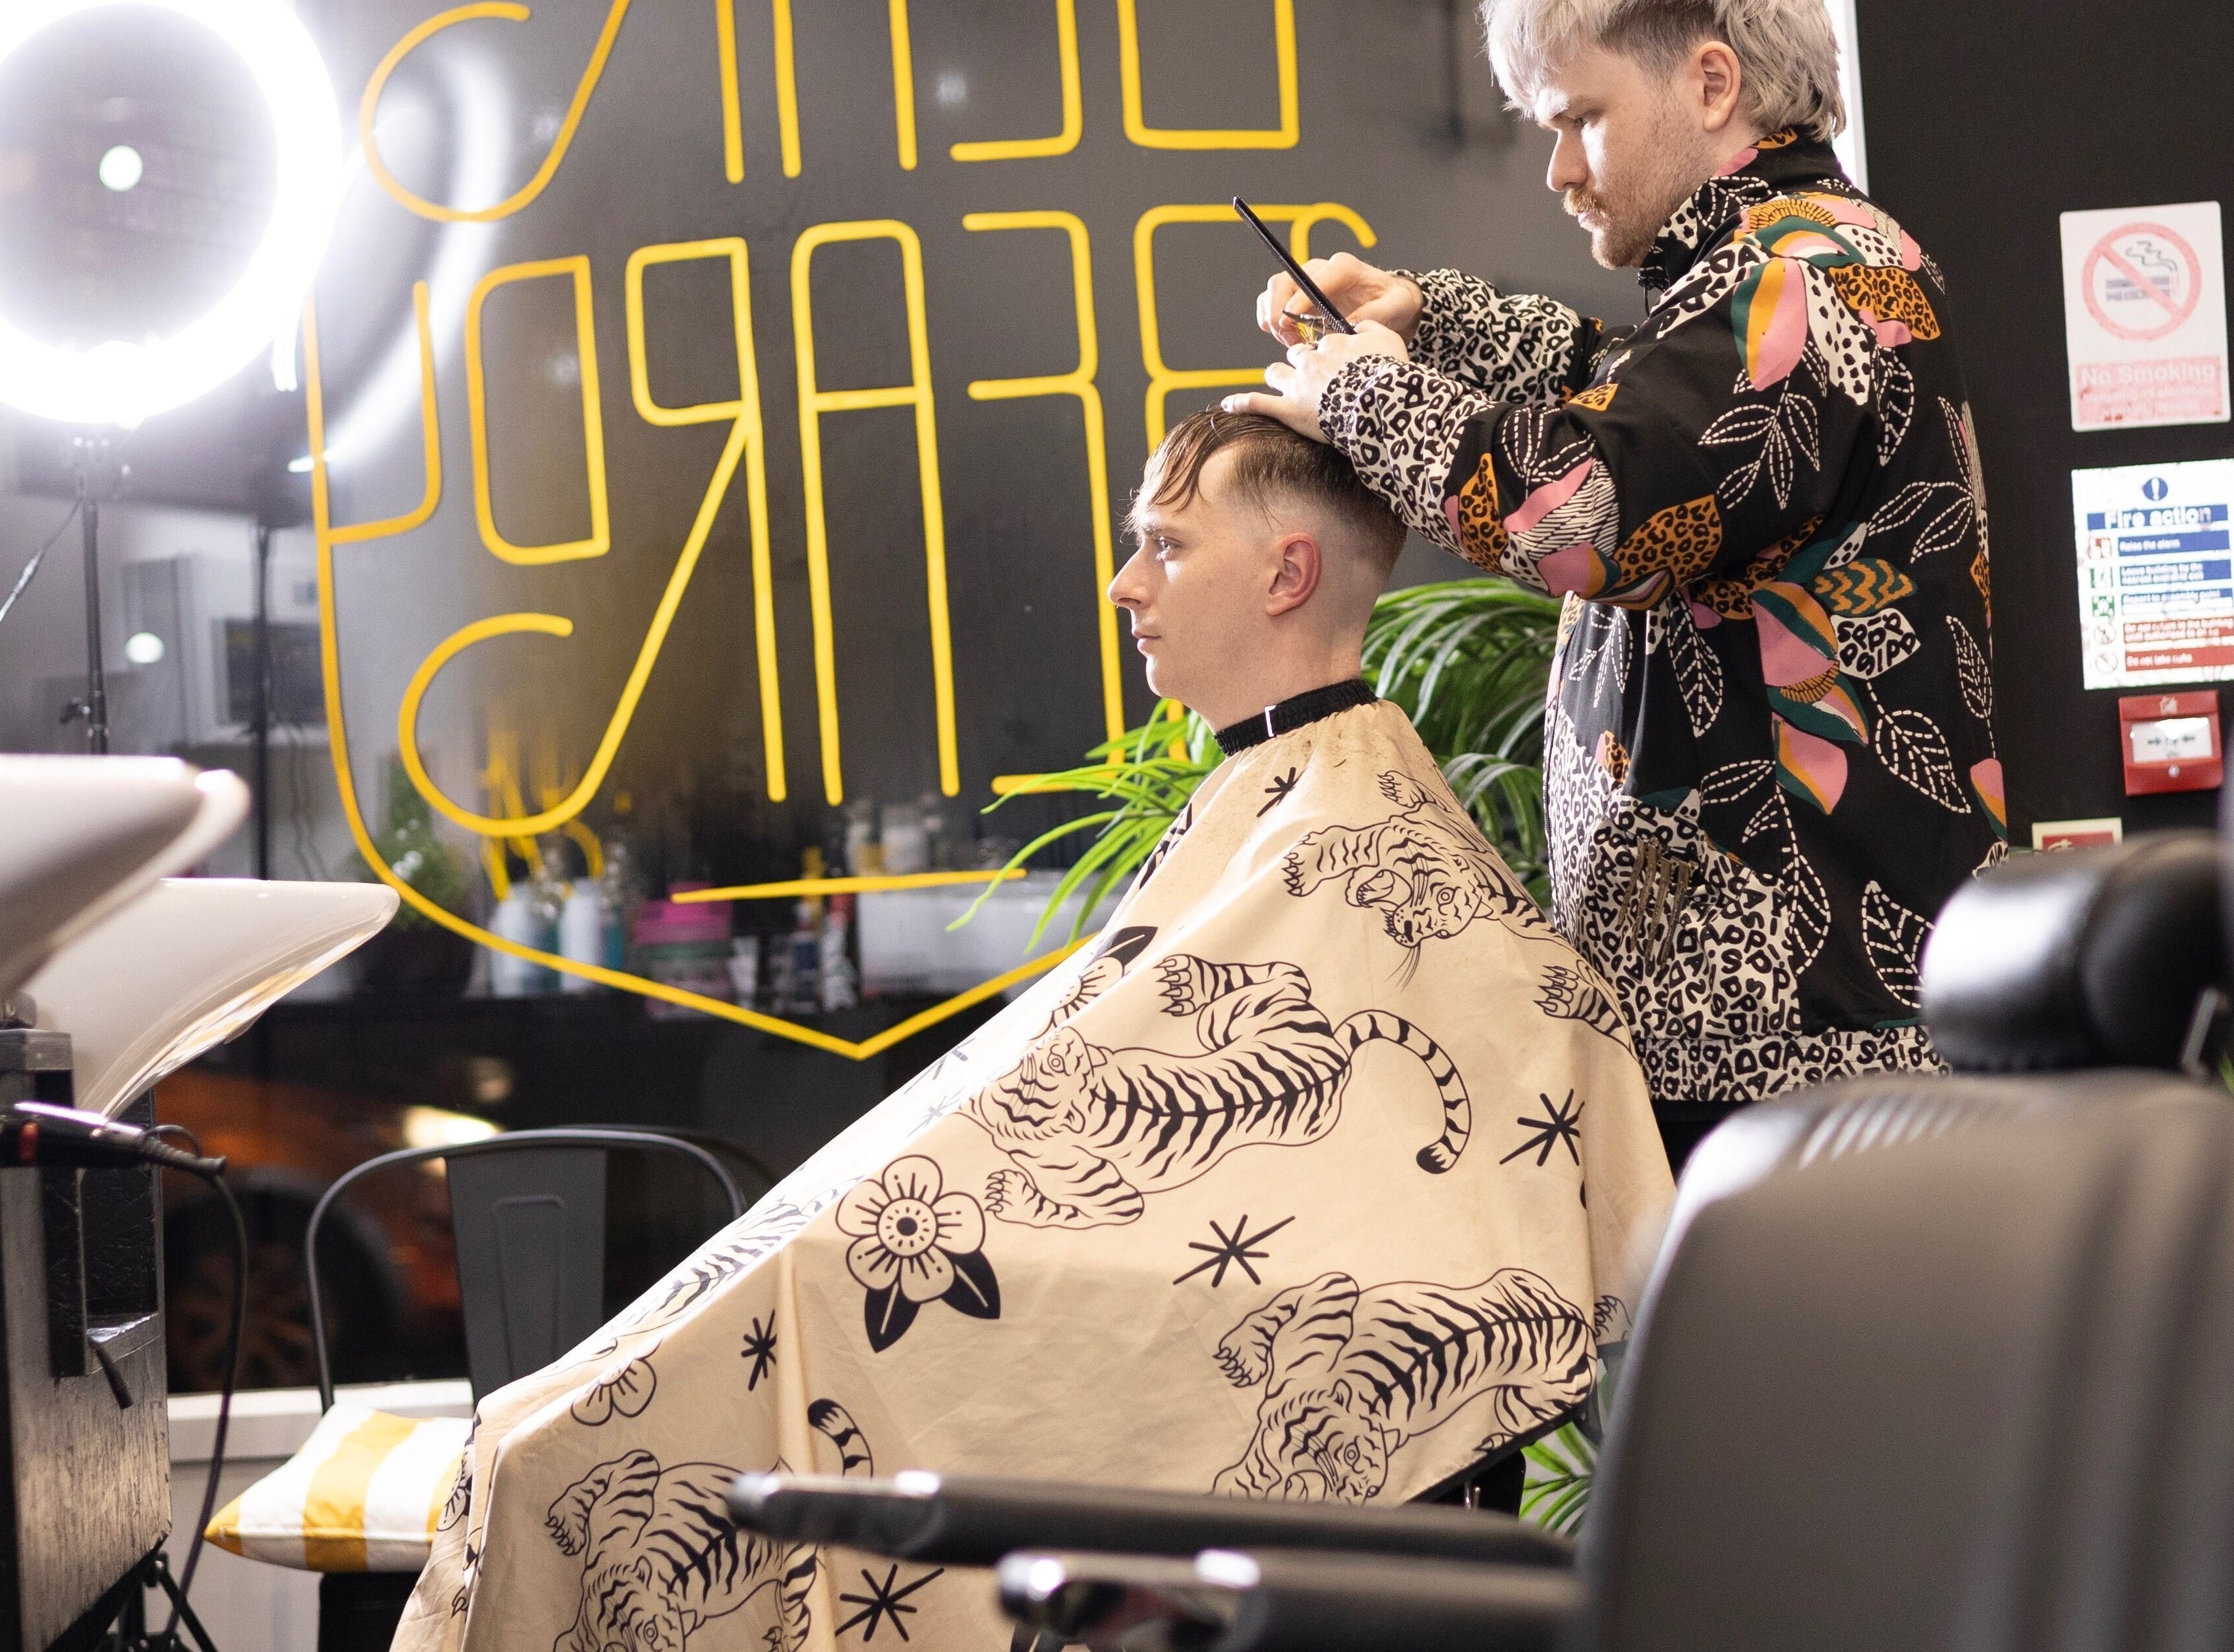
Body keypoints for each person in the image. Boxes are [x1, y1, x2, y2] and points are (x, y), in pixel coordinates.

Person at [388, 411, 1671, 1652]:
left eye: (1166, 545)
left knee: (546, 1457)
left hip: (900, 1328)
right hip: (856, 1291)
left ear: (1288, 572)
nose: (1124, 583)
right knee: (529, 1435)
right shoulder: (1268, 806)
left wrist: (846, 1263)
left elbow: (1412, 1218)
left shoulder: (1367, 842)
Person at [1231, 0, 2002, 1152]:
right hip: (1766, 1032)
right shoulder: (1782, 267)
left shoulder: (1812, 274)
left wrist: (1359, 392)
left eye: (1582, 119)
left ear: (1709, 84)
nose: (1558, 169)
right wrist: (1425, 323)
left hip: (1801, 1043)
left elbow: (1591, 512)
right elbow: (1647, 397)